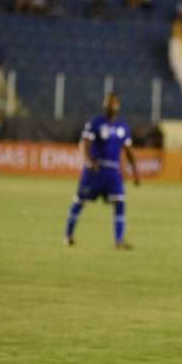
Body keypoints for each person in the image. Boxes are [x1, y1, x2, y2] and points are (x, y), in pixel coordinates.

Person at [63, 93, 139, 248]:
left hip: (113, 172)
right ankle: (68, 235)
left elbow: (129, 151)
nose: (111, 105)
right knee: (79, 202)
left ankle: (119, 240)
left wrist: (135, 173)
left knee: (120, 202)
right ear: (104, 106)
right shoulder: (95, 123)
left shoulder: (123, 127)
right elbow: (84, 143)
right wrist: (88, 161)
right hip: (95, 171)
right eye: (108, 103)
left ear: (118, 106)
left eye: (113, 103)